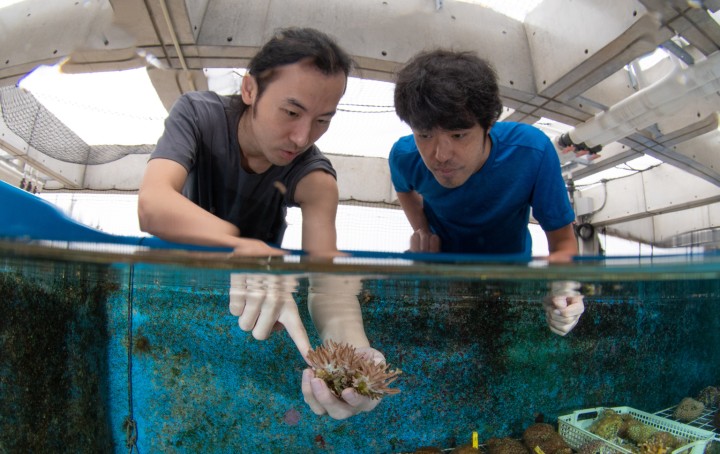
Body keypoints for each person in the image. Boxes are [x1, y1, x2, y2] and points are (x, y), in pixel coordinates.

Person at [138, 27, 383, 418]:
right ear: (250, 90)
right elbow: (153, 204)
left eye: (322, 120)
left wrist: (357, 358)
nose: (303, 137)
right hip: (187, 279)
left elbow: (329, 288)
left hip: (263, 307)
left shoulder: (316, 179)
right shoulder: (198, 115)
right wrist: (243, 247)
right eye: (291, 112)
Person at [389, 49, 584, 335]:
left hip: (512, 277)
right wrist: (424, 232)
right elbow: (404, 190)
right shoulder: (404, 156)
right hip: (444, 275)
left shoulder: (532, 152)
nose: (440, 155)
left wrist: (564, 286)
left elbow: (563, 240)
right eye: (425, 135)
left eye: (458, 135)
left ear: (489, 124)